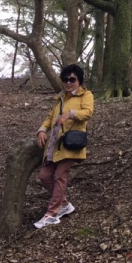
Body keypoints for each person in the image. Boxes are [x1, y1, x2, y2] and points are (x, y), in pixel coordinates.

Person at [34, 64, 94, 229]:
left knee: (60, 176)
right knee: (44, 176)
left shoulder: (86, 95)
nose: (68, 82)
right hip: (54, 144)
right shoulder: (60, 98)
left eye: (72, 79)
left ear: (79, 80)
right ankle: (64, 204)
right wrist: (41, 130)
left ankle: (52, 214)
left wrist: (70, 114)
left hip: (70, 142)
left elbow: (88, 112)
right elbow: (49, 118)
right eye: (65, 79)